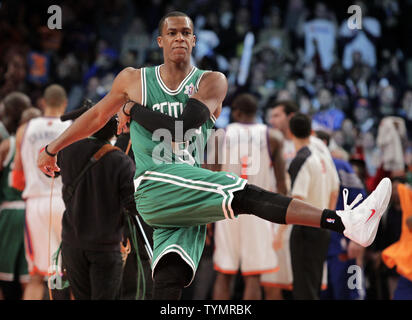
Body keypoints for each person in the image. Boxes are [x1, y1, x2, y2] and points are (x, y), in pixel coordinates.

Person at [37, 11, 392, 300]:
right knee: (245, 194)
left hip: (187, 185)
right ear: (160, 41)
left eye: (185, 33)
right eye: (172, 33)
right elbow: (97, 116)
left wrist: (134, 110)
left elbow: (184, 125)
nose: (179, 38)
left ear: (193, 40)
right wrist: (53, 147)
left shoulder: (212, 81)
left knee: (169, 275)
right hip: (154, 183)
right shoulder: (133, 78)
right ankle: (344, 222)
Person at [56, 103, 139, 300]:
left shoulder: (66, 152)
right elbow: (132, 205)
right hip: (105, 246)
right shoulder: (121, 161)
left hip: (72, 243)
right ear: (113, 131)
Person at [211, 93, 287, 300]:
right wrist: (281, 218)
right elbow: (282, 184)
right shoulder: (273, 137)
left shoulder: (221, 135)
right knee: (253, 276)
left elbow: (209, 179)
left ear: (236, 113)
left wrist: (207, 219)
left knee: (224, 273)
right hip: (259, 211)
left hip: (227, 209)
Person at [12, 84, 71, 300]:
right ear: (65, 104)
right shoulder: (73, 125)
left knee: (37, 274)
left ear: (43, 103)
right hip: (66, 202)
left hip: (37, 203)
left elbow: (17, 179)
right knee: (73, 273)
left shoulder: (24, 129)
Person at [287, 113, 337, 299]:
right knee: (313, 285)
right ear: (311, 131)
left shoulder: (301, 159)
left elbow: (298, 200)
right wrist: (326, 221)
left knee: (303, 288)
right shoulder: (323, 156)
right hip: (322, 227)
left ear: (290, 132)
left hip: (305, 229)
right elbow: (335, 190)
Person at [316, 130, 367, 300]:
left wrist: (356, 239)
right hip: (316, 243)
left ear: (323, 143)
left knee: (347, 293)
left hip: (341, 242)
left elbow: (360, 201)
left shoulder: (340, 166)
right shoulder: (303, 164)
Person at [0, 92, 32, 299]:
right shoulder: (45, 144)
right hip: (33, 212)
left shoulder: (8, 143)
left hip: (9, 212)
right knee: (30, 279)